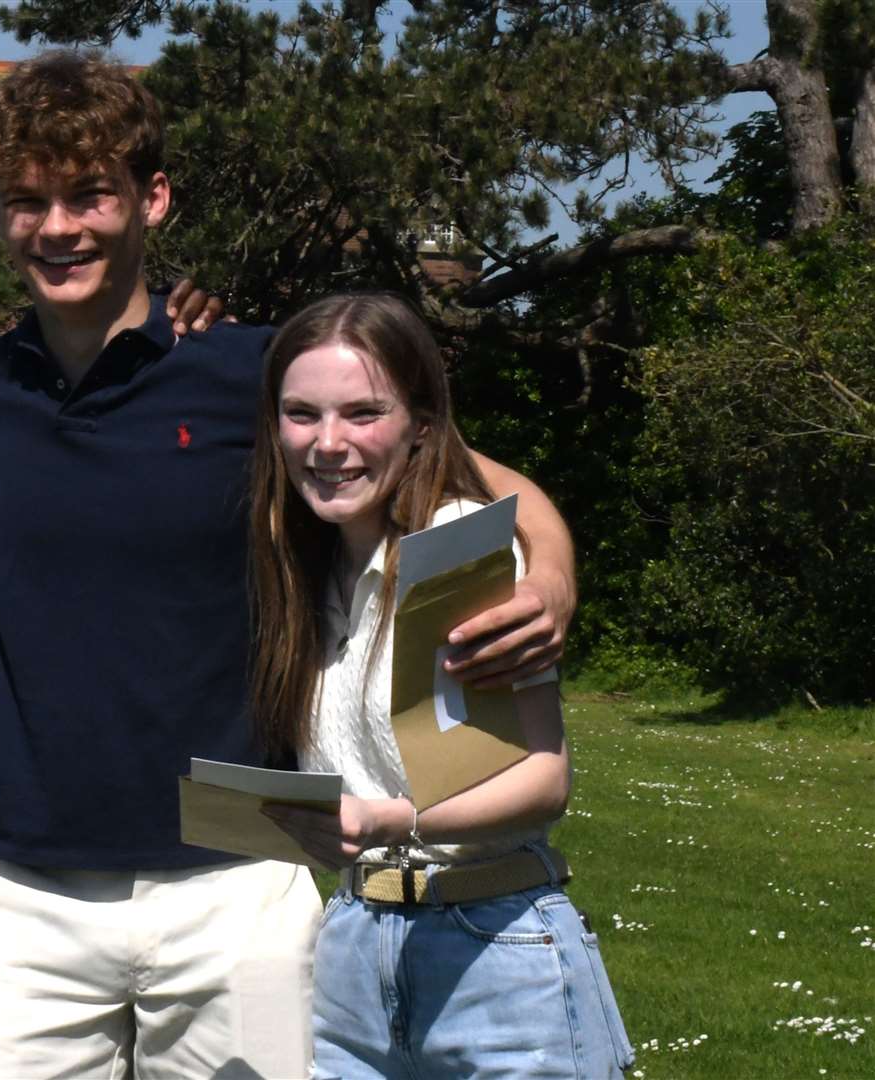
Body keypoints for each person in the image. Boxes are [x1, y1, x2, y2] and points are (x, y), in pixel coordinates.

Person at [0, 51, 578, 1079]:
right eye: (26, 201)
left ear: (152, 198)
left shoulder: (253, 371)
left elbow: (474, 470)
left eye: (89, 195)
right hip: (33, 897)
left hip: (248, 879)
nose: (57, 227)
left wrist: (549, 576)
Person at [253, 293, 634, 1079]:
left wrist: (392, 817)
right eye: (302, 414)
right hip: (353, 950)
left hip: (491, 948)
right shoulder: (302, 566)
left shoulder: (454, 551)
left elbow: (541, 778)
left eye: (363, 413)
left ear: (420, 424)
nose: (328, 443)